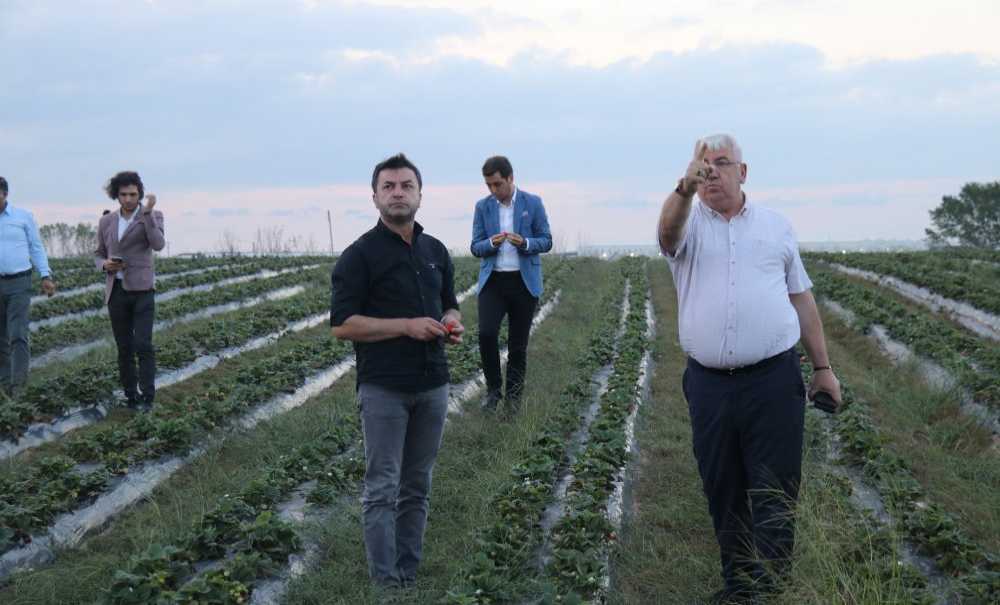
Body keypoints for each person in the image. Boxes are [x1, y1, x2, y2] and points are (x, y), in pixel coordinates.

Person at [657, 134, 843, 604]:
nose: (712, 172)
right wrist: (683, 189)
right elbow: (666, 235)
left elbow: (800, 296)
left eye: (722, 163)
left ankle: (774, 586)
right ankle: (739, 584)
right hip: (710, 385)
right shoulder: (687, 224)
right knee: (723, 483)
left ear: (743, 172)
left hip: (774, 379)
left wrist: (823, 367)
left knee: (777, 484)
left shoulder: (776, 227)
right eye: (704, 165)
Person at [330, 153, 465, 589]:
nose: (398, 193)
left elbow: (449, 300)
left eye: (406, 185)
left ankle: (409, 570)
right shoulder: (359, 256)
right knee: (382, 487)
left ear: (420, 194)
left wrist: (451, 320)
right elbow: (343, 325)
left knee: (418, 484)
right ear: (374, 197)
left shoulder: (435, 250)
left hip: (433, 385)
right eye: (388, 186)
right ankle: (384, 582)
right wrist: (405, 326)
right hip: (384, 388)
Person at [470, 156, 552, 413]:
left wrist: (525, 243)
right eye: (489, 185)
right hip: (493, 281)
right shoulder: (483, 207)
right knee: (486, 334)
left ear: (510, 178)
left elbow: (546, 240)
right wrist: (491, 244)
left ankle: (513, 399)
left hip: (523, 282)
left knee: (517, 345)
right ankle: (493, 391)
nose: (493, 190)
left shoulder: (533, 203)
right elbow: (475, 246)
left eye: (497, 184)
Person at [94, 171, 165, 408]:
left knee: (143, 344)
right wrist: (105, 264)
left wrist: (147, 213)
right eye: (123, 194)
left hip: (143, 289)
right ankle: (130, 395)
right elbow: (98, 253)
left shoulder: (152, 215)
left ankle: (148, 396)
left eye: (133, 194)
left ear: (140, 195)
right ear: (117, 195)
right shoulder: (106, 221)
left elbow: (158, 244)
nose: (128, 199)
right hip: (117, 291)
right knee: (124, 347)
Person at [0, 176, 57, 397]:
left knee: (17, 333)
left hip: (19, 282)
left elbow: (36, 247)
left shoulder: (23, 217)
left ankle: (19, 386)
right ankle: (5, 383)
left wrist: (45, 275)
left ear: (5, 194)